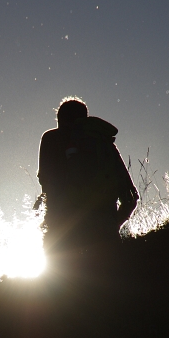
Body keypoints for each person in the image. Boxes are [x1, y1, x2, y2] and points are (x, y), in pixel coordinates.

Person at [36, 97, 138, 263]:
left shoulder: (51, 138)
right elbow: (131, 197)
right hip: (104, 227)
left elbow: (46, 180)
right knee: (111, 281)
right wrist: (112, 226)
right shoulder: (105, 144)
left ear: (60, 119)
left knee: (62, 283)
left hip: (63, 228)